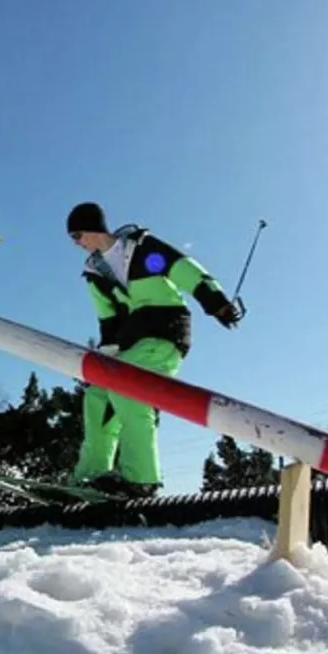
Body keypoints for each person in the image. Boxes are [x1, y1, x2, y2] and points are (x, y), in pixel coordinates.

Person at [66, 201, 244, 497]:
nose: (77, 244)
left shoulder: (141, 247)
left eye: (76, 236)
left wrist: (216, 303)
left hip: (165, 330)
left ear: (90, 228)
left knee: (128, 388)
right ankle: (91, 476)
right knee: (97, 395)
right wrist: (103, 366)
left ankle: (141, 479)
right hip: (131, 340)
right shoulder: (95, 273)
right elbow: (108, 322)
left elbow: (182, 268)